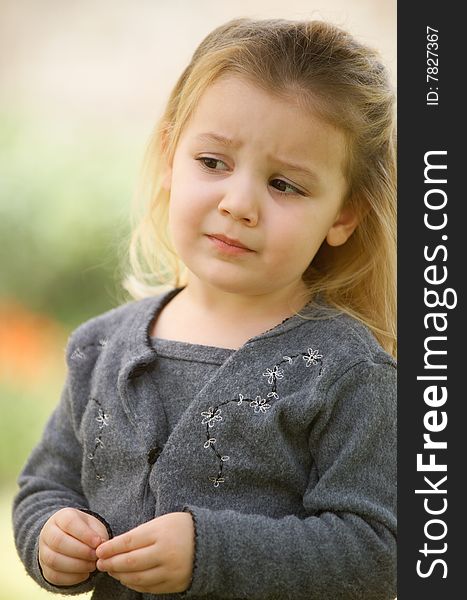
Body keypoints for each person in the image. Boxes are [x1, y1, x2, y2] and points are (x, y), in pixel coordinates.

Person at [13, 17, 397, 600]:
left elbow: (379, 549)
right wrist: (50, 534)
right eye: (213, 163)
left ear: (344, 215)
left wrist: (213, 554)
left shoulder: (346, 372)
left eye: (285, 185)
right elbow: (47, 484)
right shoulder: (98, 348)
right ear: (170, 156)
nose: (239, 204)